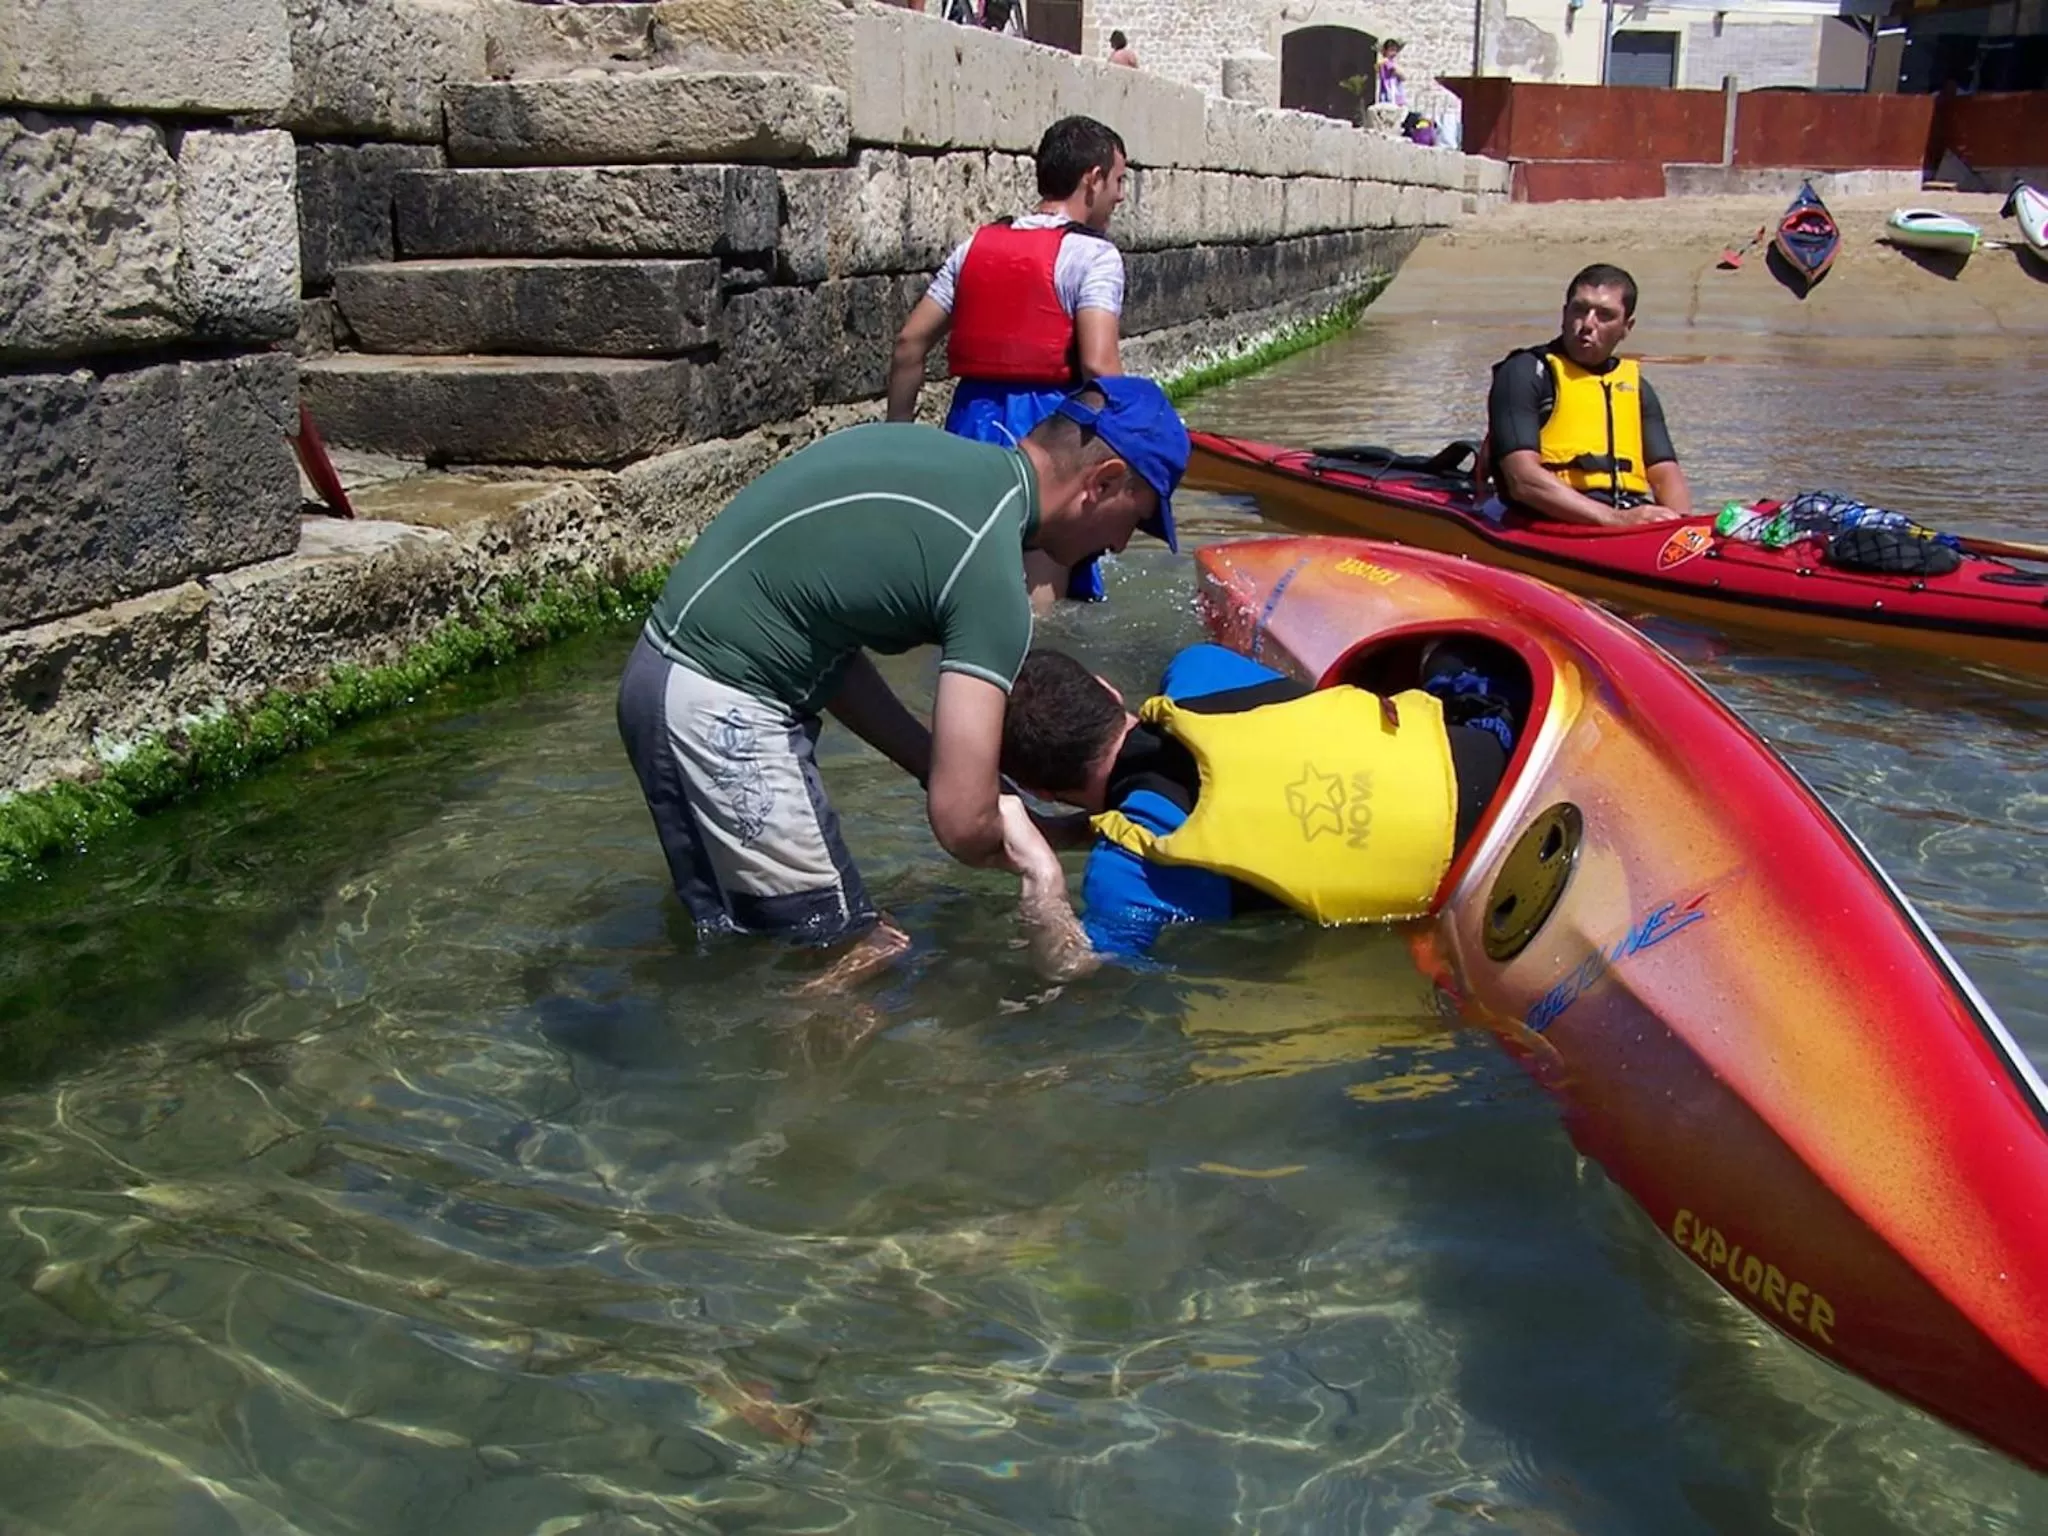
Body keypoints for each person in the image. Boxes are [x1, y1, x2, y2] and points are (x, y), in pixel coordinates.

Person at [617, 379, 1188, 991]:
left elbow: (820, 651)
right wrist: (1041, 869)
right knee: (859, 960)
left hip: (663, 687)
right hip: (723, 715)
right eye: (1138, 518)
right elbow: (960, 824)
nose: (1122, 544)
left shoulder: (937, 463)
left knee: (752, 959)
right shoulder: (990, 570)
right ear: (1101, 483)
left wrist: (945, 769)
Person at [994, 641, 1519, 975]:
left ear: (1041, 791)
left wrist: (1043, 872)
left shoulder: (1121, 875)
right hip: (1496, 768)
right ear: (1108, 692)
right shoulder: (1200, 667)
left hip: (1439, 884)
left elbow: (1079, 969)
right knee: (1448, 656)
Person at [886, 116, 1131, 605]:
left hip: (968, 431)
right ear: (1093, 178)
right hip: (1049, 435)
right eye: (1119, 180)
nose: (1120, 196)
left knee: (958, 595)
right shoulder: (1094, 257)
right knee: (1037, 611)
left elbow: (909, 345)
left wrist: (898, 446)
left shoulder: (975, 246)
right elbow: (1101, 370)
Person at [1482, 263, 1694, 529]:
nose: (1588, 324)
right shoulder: (1525, 373)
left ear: (1627, 327)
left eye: (1605, 315)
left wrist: (1682, 530)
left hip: (1624, 522)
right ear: (1564, 314)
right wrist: (1614, 519)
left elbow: (1664, 474)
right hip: (1548, 520)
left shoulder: (1636, 388)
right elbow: (1521, 479)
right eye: (1580, 310)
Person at [1375, 39, 1406, 107]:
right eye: (1391, 50)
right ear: (1385, 51)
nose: (1394, 53)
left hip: (1390, 94)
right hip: (1392, 95)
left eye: (1395, 50)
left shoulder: (1386, 62)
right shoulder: (1387, 62)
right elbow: (1403, 76)